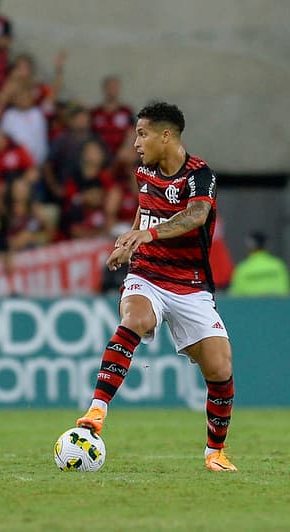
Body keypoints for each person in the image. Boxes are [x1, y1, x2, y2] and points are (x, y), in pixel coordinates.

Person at [76, 102, 237, 472]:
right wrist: (130, 243)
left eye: (142, 134)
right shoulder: (145, 170)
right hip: (147, 274)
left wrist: (147, 234)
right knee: (136, 319)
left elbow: (196, 216)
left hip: (191, 285)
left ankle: (215, 452)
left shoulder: (200, 175)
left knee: (220, 368)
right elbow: (145, 206)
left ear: (166, 136)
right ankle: (97, 410)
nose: (136, 143)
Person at [228, 231, 290, 296]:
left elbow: (235, 296)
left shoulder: (243, 269)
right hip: (277, 302)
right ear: (266, 245)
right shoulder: (278, 266)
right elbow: (286, 291)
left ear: (249, 246)